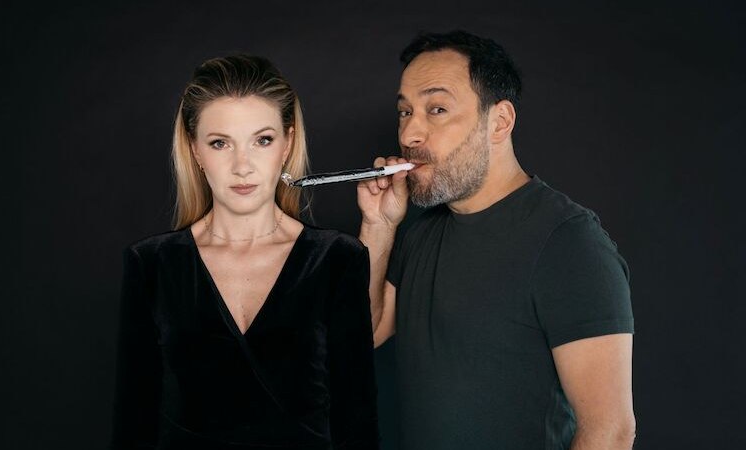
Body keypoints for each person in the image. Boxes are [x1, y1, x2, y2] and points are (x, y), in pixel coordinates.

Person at [357, 31, 635, 449]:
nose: (410, 134)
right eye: (405, 112)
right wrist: (379, 227)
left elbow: (609, 432)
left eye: (436, 109)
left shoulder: (568, 242)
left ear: (499, 122)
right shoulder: (420, 232)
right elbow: (368, 331)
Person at [110, 54, 379, 450]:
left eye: (262, 140)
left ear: (286, 144)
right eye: (220, 143)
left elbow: (357, 426)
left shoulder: (338, 260)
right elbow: (133, 426)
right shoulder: (151, 265)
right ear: (195, 150)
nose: (242, 166)